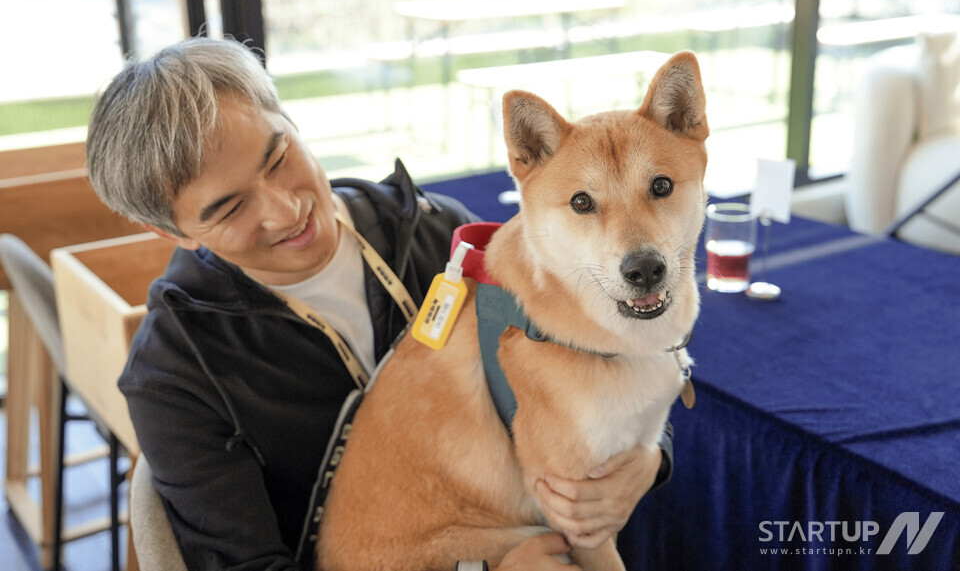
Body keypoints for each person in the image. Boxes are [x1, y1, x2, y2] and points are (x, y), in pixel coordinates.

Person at [85, 36, 671, 570]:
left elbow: (608, 358)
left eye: (278, 158)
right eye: (231, 208)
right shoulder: (177, 375)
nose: (285, 211)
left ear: (287, 118)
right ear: (175, 233)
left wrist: (648, 462)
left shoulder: (443, 238)